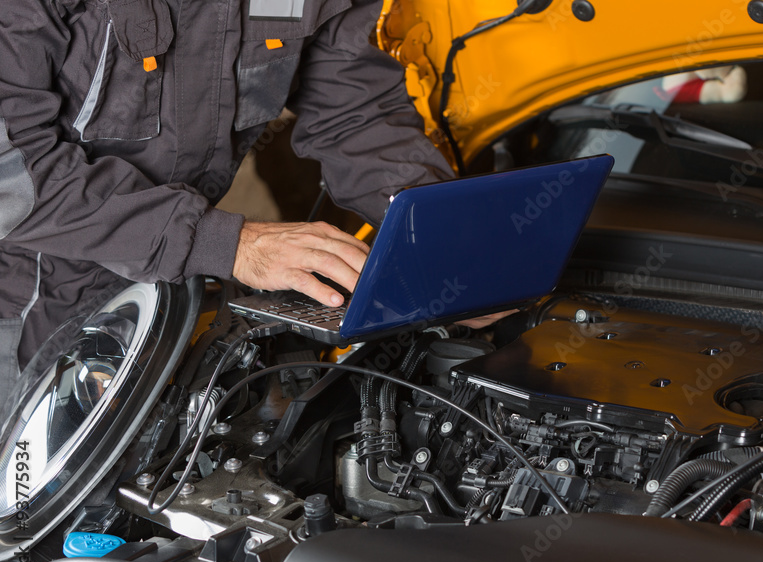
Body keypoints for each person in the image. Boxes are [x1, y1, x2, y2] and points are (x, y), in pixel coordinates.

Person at [0, 0, 456, 407]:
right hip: (19, 310)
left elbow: (356, 113)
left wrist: (435, 235)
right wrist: (229, 243)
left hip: (166, 296)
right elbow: (11, 171)